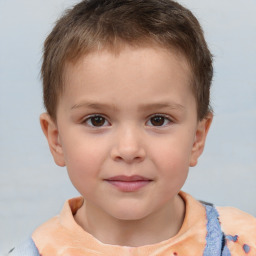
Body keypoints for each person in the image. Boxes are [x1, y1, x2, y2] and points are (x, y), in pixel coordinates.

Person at [9, 0, 256, 255]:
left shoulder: (244, 242)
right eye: (97, 120)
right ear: (56, 139)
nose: (128, 149)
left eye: (158, 120)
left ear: (197, 137)